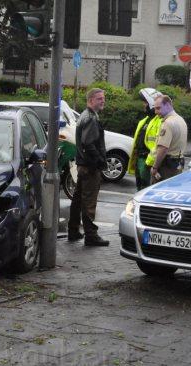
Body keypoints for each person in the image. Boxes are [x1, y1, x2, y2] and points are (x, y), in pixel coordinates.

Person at [68, 88, 109, 247]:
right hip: (90, 167)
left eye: (103, 98)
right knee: (89, 202)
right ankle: (91, 235)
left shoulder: (85, 115)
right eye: (99, 98)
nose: (102, 101)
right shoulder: (90, 118)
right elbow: (88, 144)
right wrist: (99, 161)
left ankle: (73, 230)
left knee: (78, 200)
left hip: (83, 165)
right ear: (91, 100)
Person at [128, 88, 163, 190]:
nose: (143, 104)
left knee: (146, 189)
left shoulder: (159, 121)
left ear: (151, 103)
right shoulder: (144, 120)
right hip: (140, 159)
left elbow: (158, 145)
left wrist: (151, 164)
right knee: (139, 187)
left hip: (148, 162)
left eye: (145, 102)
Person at [150, 95, 188, 184]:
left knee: (156, 195)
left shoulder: (167, 123)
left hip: (166, 168)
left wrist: (155, 167)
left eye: (158, 108)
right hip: (177, 166)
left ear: (167, 105)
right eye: (155, 109)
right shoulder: (180, 120)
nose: (156, 112)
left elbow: (163, 148)